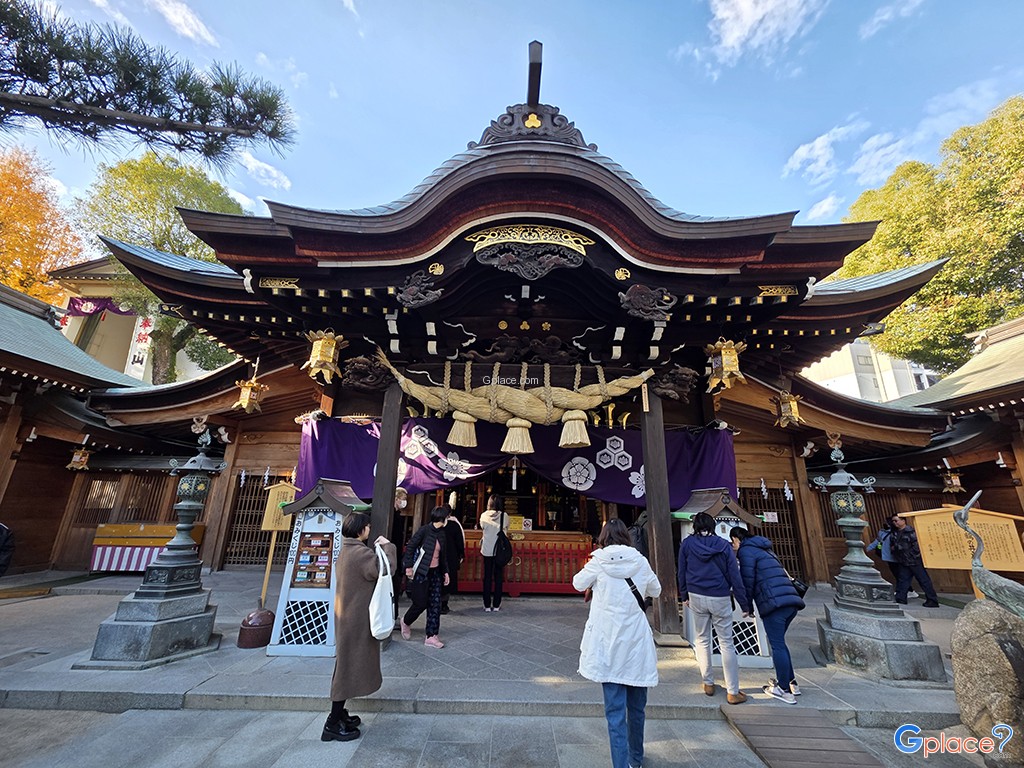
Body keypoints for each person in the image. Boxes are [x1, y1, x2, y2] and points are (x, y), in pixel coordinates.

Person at [573, 519, 661, 768]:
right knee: (637, 709)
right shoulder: (640, 561)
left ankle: (621, 764)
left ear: (603, 537)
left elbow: (577, 583)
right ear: (626, 536)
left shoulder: (598, 562)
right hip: (635, 642)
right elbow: (656, 589)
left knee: (614, 713)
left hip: (608, 641)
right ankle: (635, 759)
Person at [323, 511, 396, 742]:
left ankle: (340, 713)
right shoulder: (360, 554)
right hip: (354, 619)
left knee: (346, 663)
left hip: (348, 616)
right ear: (360, 529)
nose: (368, 530)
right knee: (347, 667)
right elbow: (385, 569)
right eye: (367, 526)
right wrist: (388, 547)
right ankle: (332, 723)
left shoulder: (346, 550)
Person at [677, 511, 749, 704]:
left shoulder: (687, 544)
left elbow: (681, 571)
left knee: (702, 640)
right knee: (726, 643)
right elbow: (735, 575)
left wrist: (683, 594)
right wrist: (744, 603)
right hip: (720, 595)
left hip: (696, 594)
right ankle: (733, 691)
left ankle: (708, 682)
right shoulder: (723, 546)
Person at [730, 526, 805, 705]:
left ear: (737, 539)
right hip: (790, 600)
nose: (733, 546)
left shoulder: (746, 552)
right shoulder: (766, 550)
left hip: (774, 603)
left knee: (777, 644)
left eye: (732, 542)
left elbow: (747, 580)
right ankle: (791, 682)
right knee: (780, 643)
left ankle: (784, 690)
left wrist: (746, 606)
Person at [401, 505, 450, 647]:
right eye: (446, 517)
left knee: (435, 604)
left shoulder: (442, 533)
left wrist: (445, 572)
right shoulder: (424, 531)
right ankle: (406, 621)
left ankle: (432, 635)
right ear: (441, 518)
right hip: (422, 572)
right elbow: (410, 546)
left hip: (436, 573)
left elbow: (443, 555)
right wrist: (408, 566)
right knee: (420, 603)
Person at [890, 514, 940, 607]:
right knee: (903, 579)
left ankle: (932, 599)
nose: (894, 523)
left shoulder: (911, 531)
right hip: (903, 560)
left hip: (914, 560)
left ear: (903, 521)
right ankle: (901, 598)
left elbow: (916, 546)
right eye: (893, 521)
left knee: (923, 580)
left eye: (896, 521)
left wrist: (911, 555)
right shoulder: (895, 533)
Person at [868, 518, 918, 599]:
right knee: (898, 574)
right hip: (888, 557)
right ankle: (904, 591)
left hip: (897, 556)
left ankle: (908, 591)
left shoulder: (896, 532)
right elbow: (876, 542)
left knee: (901, 575)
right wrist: (867, 549)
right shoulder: (882, 532)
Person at [479, 494, 509, 612]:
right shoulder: (504, 516)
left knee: (487, 577)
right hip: (499, 552)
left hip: (487, 550)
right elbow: (507, 528)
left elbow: (482, 527)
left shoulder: (483, 516)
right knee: (498, 577)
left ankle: (487, 605)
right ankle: (496, 605)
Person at [441, 508, 465, 614]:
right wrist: (461, 554)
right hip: (451, 556)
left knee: (439, 580)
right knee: (448, 581)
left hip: (438, 556)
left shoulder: (436, 525)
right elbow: (460, 542)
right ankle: (444, 604)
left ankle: (436, 602)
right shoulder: (455, 525)